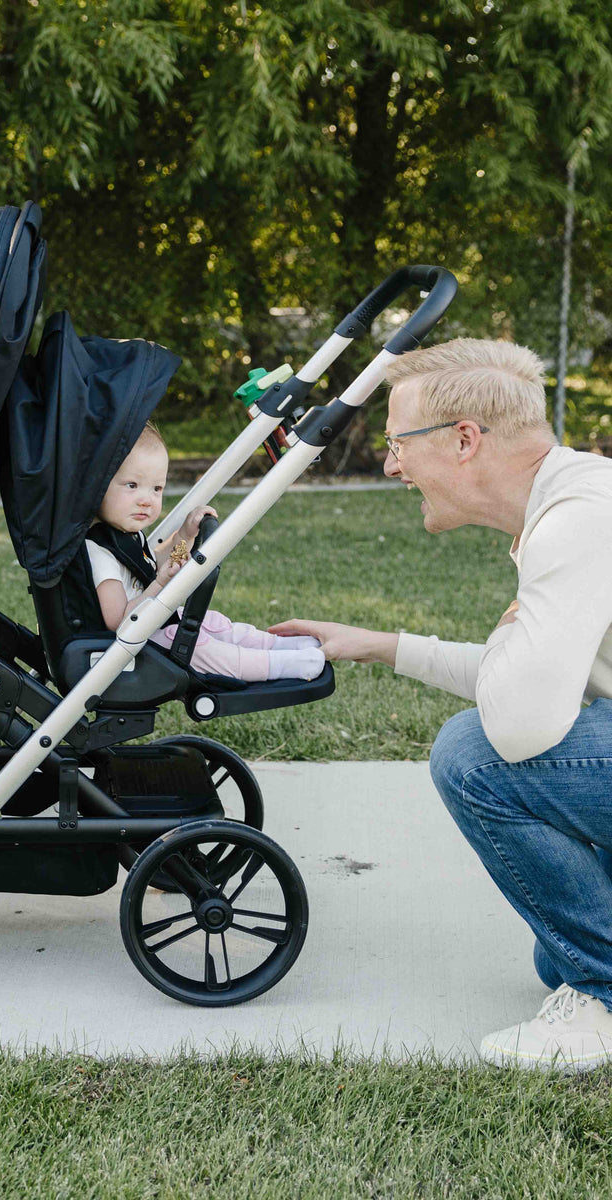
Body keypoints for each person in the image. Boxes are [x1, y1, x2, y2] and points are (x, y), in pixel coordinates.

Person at [271, 337, 612, 1072]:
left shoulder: (579, 520)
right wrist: (379, 643)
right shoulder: (570, 500)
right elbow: (530, 683)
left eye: (399, 444)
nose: (391, 465)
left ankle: (608, 998)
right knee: (554, 956)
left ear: (464, 440)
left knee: (473, 756)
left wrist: (508, 642)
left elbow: (519, 728)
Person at [88, 424, 325, 681]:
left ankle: (276, 645)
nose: (146, 499)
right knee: (205, 650)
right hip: (136, 646)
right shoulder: (99, 552)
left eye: (156, 489)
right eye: (132, 485)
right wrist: (159, 583)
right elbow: (118, 622)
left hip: (159, 624)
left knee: (215, 626)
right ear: (97, 486)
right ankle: (280, 665)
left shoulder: (125, 535)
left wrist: (184, 538)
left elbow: (157, 567)